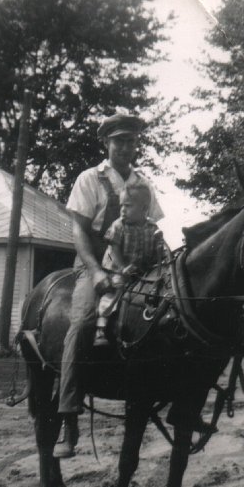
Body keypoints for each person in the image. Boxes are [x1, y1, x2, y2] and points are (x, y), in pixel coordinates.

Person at [53, 113, 164, 458]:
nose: (126, 147)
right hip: (98, 266)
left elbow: (153, 229)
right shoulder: (90, 179)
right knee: (84, 321)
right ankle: (67, 415)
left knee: (168, 317)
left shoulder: (143, 183)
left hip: (140, 268)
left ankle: (174, 394)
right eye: (119, 141)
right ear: (107, 143)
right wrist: (96, 272)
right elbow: (78, 232)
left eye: (131, 141)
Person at [94, 181, 161, 347]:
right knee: (115, 290)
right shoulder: (119, 226)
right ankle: (101, 327)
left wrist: (160, 256)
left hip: (142, 271)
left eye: (128, 206)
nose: (122, 210)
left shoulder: (152, 227)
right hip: (118, 269)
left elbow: (157, 250)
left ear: (144, 209)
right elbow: (114, 248)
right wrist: (123, 267)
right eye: (121, 205)